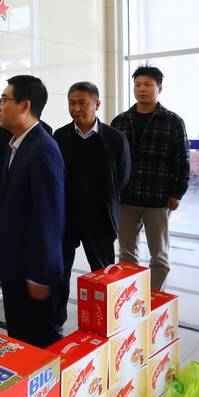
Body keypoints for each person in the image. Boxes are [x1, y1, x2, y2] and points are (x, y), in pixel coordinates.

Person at [0, 75, 65, 348]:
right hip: (13, 262)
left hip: (33, 269)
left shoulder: (43, 149)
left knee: (40, 342)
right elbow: (8, 203)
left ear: (24, 105)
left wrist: (42, 274)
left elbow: (50, 217)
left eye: (4, 100)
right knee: (19, 337)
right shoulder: (15, 146)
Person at [53, 82, 130, 329]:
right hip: (66, 216)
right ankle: (56, 321)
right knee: (59, 272)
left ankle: (106, 323)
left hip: (99, 216)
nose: (76, 108)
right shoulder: (60, 136)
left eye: (82, 103)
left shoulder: (114, 137)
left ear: (97, 104)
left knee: (103, 272)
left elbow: (122, 177)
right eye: (71, 103)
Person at [111, 65, 189, 292]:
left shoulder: (172, 121)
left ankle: (155, 299)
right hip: (126, 198)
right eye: (137, 85)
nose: (141, 89)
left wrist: (177, 193)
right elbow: (112, 161)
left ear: (159, 88)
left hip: (158, 199)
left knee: (159, 256)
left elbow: (182, 160)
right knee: (126, 254)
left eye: (147, 84)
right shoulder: (120, 121)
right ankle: (130, 298)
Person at [0, 116, 53, 302]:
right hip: (3, 193)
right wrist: (3, 172)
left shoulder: (43, 131)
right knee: (4, 239)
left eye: (5, 102)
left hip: (29, 200)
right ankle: (0, 280)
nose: (0, 108)